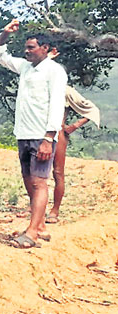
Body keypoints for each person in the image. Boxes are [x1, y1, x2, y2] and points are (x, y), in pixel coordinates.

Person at [0, 19, 67, 248]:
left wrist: (48, 138)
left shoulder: (55, 72)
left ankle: (32, 233)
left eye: (31, 47)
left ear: (45, 48)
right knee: (29, 181)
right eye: (26, 47)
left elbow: (56, 106)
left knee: (40, 182)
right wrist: (4, 33)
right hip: (23, 133)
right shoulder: (25, 67)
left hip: (41, 135)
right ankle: (39, 225)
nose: (27, 51)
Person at [48, 84, 100, 224]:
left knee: (57, 172)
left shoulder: (65, 90)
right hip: (36, 131)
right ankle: (33, 206)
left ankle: (55, 210)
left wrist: (75, 125)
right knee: (33, 172)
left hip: (57, 131)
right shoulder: (37, 84)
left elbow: (92, 109)